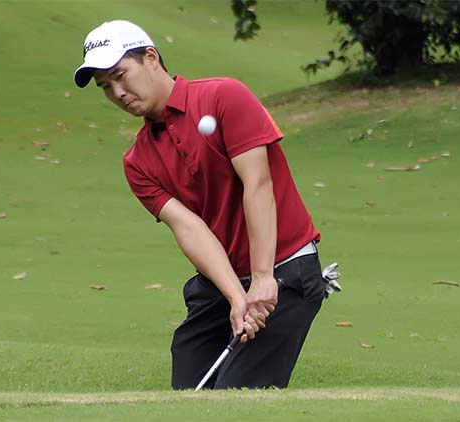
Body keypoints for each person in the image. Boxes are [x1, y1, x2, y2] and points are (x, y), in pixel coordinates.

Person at [74, 20, 325, 390]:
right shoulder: (138, 162)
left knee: (235, 394)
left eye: (121, 75)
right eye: (106, 87)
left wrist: (261, 279)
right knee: (188, 385)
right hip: (223, 282)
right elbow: (189, 228)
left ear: (151, 57)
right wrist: (237, 298)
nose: (118, 92)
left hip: (283, 269)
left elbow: (258, 185)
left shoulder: (225, 96)